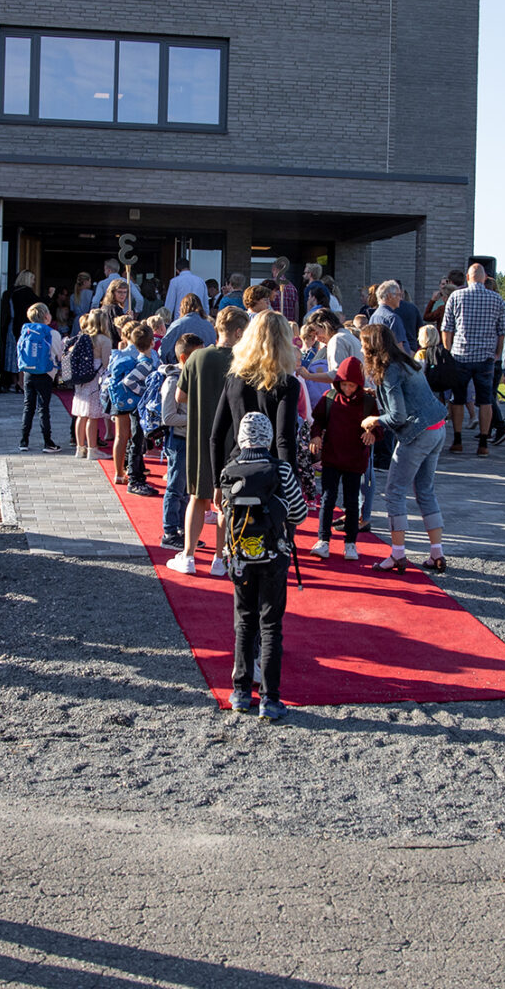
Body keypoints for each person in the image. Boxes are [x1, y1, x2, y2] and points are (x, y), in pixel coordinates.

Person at [216, 411, 308, 721]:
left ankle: (240, 692)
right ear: (267, 438)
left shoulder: (229, 470)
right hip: (273, 556)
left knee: (244, 621)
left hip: (239, 558)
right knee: (271, 626)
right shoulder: (280, 469)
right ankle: (270, 698)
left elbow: (223, 513)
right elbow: (299, 513)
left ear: (241, 439)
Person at [358, 322, 449, 572]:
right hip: (438, 427)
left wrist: (373, 420)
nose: (362, 349)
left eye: (364, 344)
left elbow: (397, 416)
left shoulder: (388, 371)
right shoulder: (407, 362)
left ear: (373, 347)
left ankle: (398, 555)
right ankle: (437, 553)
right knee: (426, 491)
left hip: (418, 434)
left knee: (395, 492)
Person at [166, 305, 250, 574]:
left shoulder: (197, 357)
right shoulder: (243, 361)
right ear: (238, 332)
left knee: (197, 497)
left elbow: (180, 397)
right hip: (231, 437)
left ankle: (188, 556)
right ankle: (219, 559)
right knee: (226, 501)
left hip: (199, 434)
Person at [210, 310, 302, 496]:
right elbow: (284, 438)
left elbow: (217, 435)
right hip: (271, 470)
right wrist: (291, 482)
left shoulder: (234, 379)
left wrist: (217, 482)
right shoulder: (287, 384)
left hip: (238, 466)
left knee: (235, 523)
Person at [310, 356, 377, 560]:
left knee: (351, 503)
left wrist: (372, 434)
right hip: (332, 458)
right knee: (328, 498)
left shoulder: (368, 402)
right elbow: (317, 421)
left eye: (352, 385)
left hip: (355, 460)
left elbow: (379, 427)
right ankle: (323, 540)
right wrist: (315, 436)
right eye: (344, 385)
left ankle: (350, 543)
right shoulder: (329, 398)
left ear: (359, 384)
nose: (348, 389)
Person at [441, 263, 505, 459]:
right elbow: (501, 331)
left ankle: (458, 440)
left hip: (460, 354)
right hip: (485, 356)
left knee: (458, 399)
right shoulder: (496, 299)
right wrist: (497, 353)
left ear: (468, 278)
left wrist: (447, 352)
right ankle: (484, 443)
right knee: (486, 400)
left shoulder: (456, 296)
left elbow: (447, 328)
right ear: (485, 278)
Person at [158, 333, 203, 554]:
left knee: (187, 489)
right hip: (178, 440)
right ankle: (169, 531)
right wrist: (197, 418)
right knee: (176, 487)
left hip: (191, 438)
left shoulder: (195, 377)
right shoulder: (174, 380)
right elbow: (168, 418)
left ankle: (185, 530)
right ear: (185, 358)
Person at [108, 321, 157, 495]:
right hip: (137, 406)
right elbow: (129, 381)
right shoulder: (145, 363)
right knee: (135, 441)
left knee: (132, 439)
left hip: (132, 404)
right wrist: (144, 392)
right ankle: (135, 479)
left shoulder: (140, 359)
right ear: (152, 342)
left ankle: (131, 474)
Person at [15, 302, 65, 453]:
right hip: (45, 373)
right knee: (43, 408)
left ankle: (23, 441)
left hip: (28, 372)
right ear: (45, 315)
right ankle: (47, 442)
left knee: (28, 406)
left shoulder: (26, 331)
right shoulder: (52, 333)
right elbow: (58, 353)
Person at [68, 308, 114, 459]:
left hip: (81, 379)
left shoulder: (82, 337)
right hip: (96, 378)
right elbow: (107, 363)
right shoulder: (104, 340)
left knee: (81, 415)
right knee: (93, 416)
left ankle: (80, 448)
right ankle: (92, 449)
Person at [6, 269, 40, 391]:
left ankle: (16, 381)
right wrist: (50, 296)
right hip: (24, 326)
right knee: (25, 354)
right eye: (32, 279)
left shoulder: (13, 292)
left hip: (14, 325)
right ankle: (22, 382)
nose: (34, 282)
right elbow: (39, 304)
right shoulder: (26, 292)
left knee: (16, 354)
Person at [369, 279, 417, 352]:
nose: (400, 298)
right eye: (399, 295)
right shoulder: (392, 318)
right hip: (393, 361)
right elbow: (399, 347)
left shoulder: (374, 316)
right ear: (389, 296)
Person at [268, 257, 301, 322]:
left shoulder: (270, 286)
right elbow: (296, 308)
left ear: (274, 269)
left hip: (274, 323)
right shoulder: (293, 288)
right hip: (289, 324)